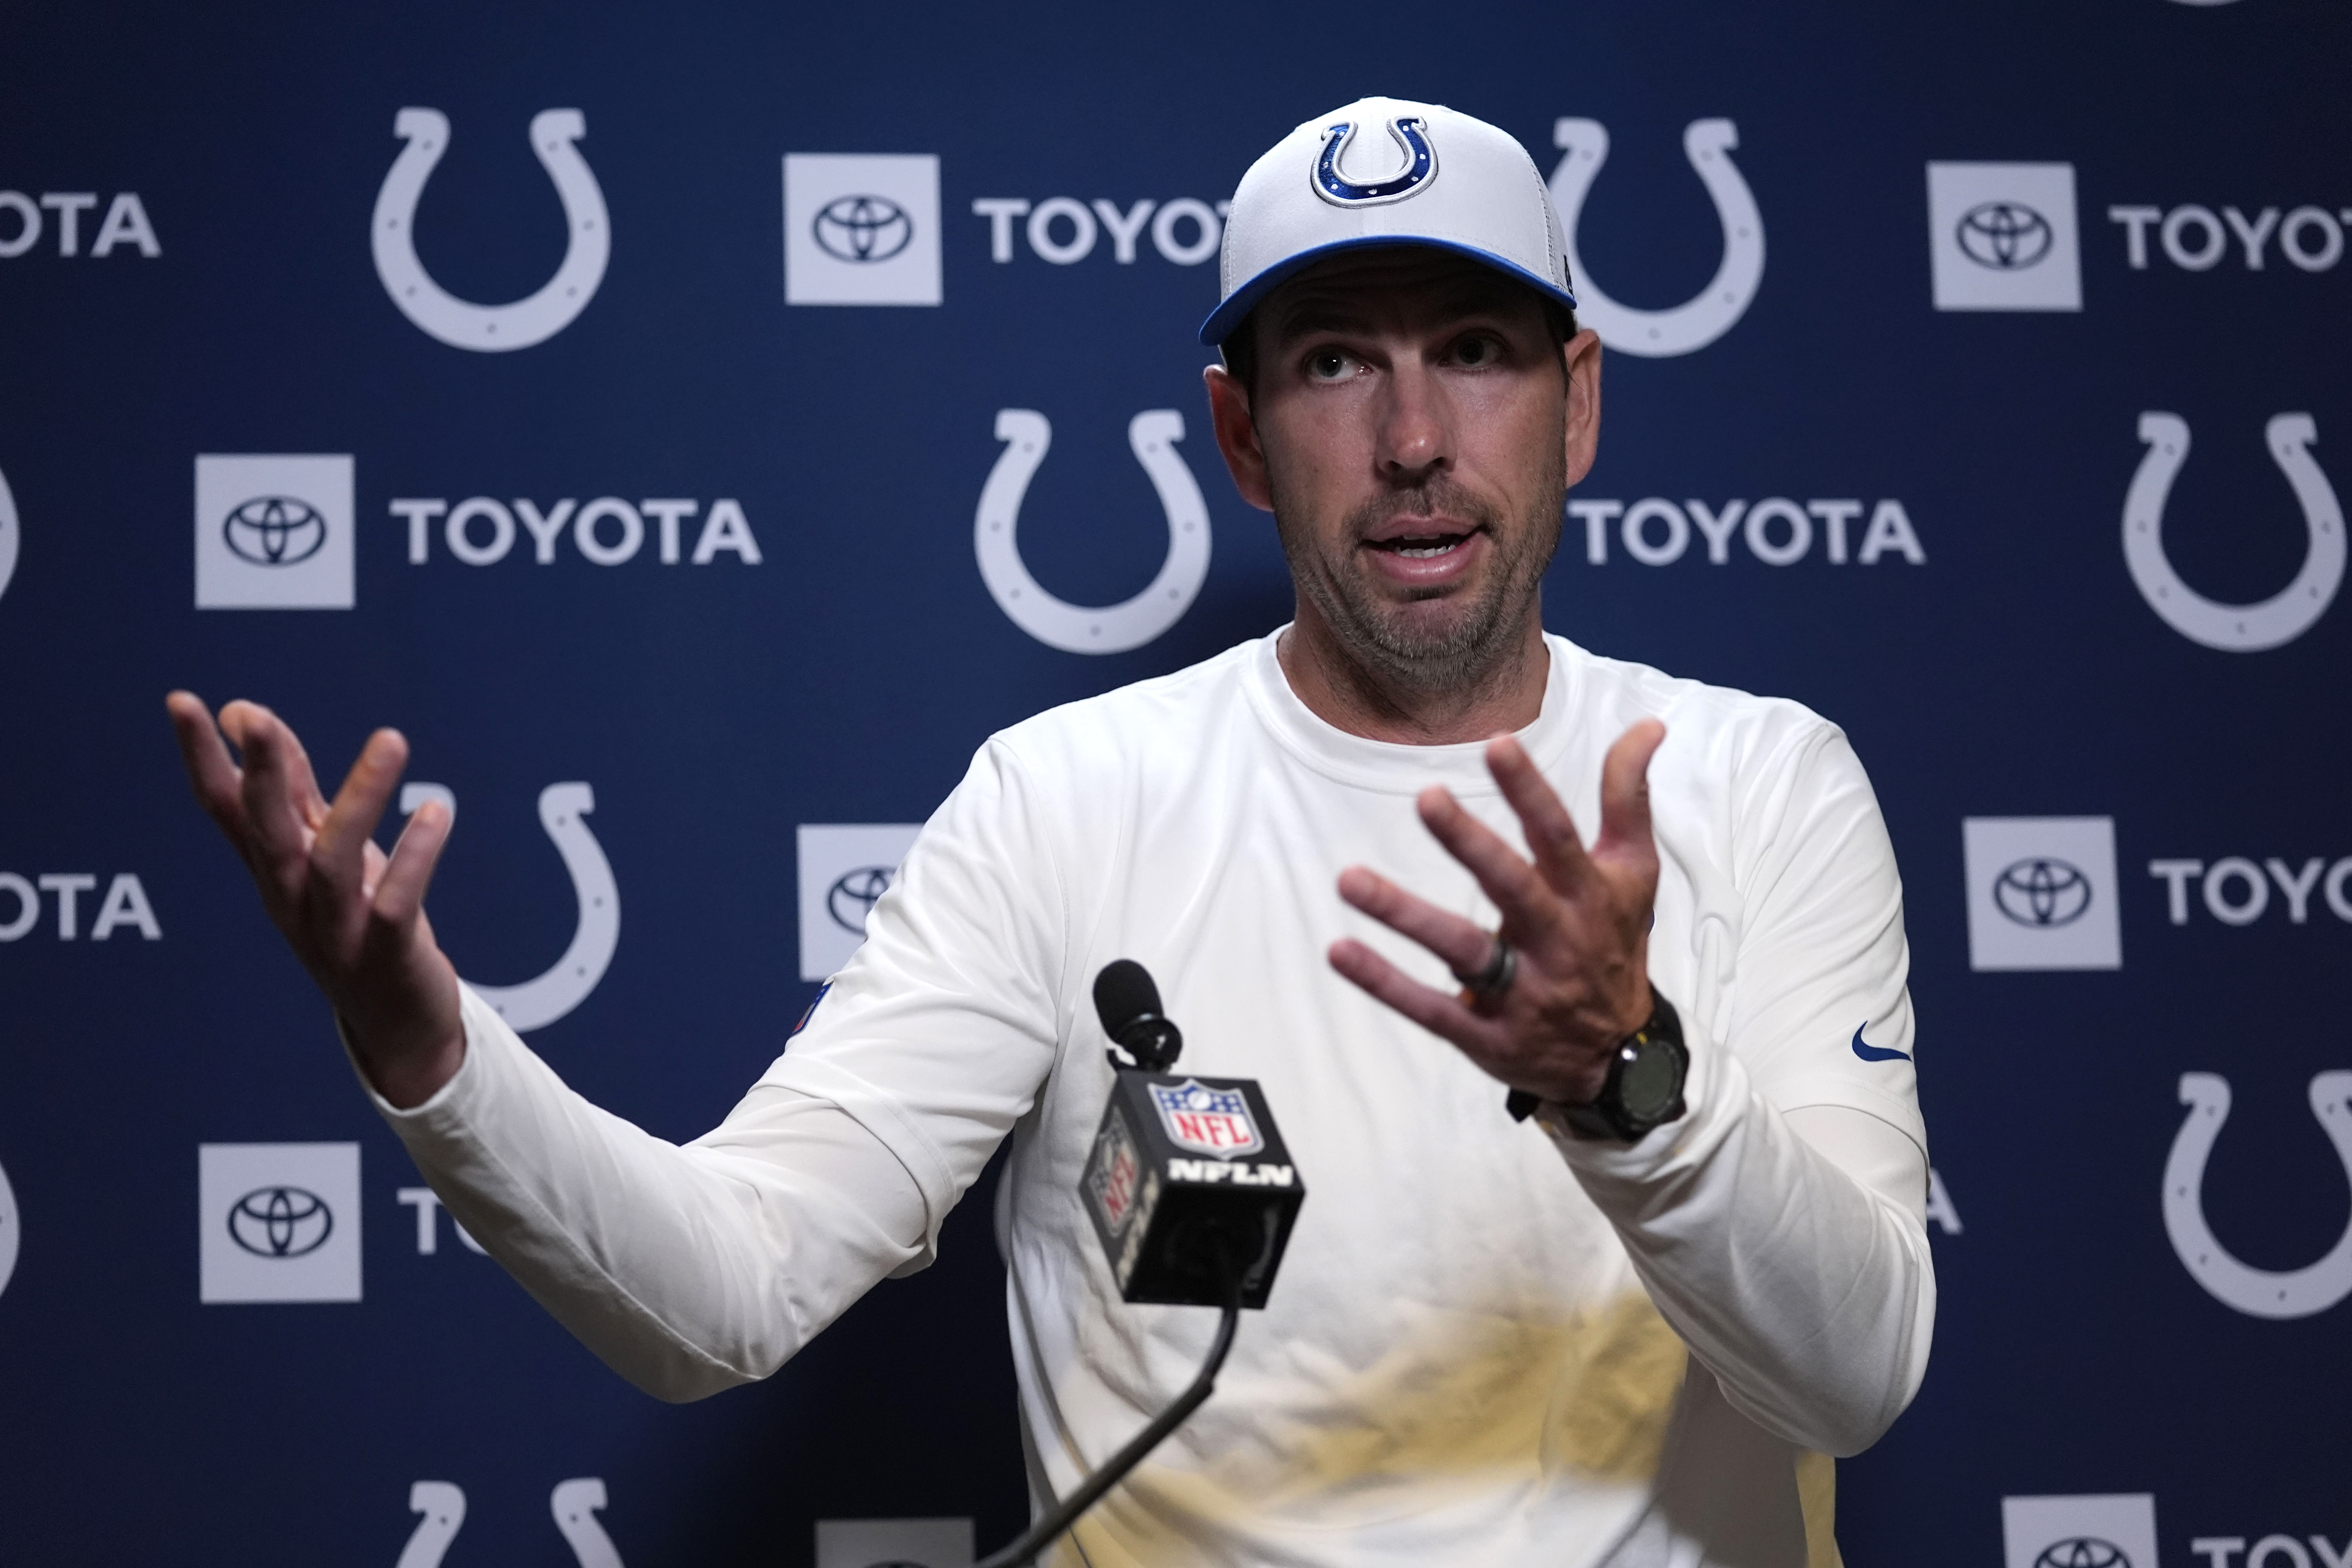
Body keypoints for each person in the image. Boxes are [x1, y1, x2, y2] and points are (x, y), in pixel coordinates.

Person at [166, 97, 1932, 1568]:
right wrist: (426, 1045)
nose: (1409, 439)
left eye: (1471, 355)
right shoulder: (1063, 799)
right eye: (1333, 364)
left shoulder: (1759, 783)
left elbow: (1851, 1376)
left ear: (1580, 404)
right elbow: (725, 1292)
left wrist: (1634, 1086)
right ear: (1242, 436)